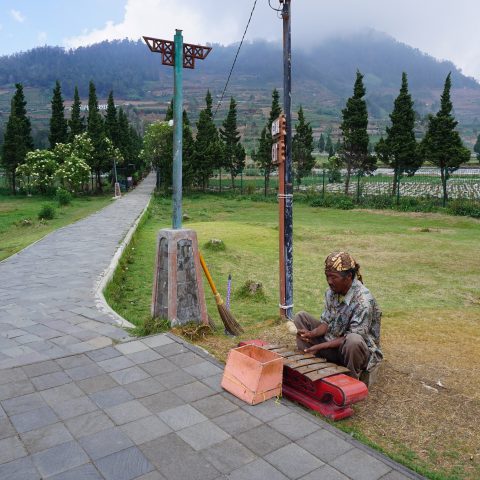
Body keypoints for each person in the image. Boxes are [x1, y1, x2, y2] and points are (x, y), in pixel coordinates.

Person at [294, 251, 382, 381]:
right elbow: (326, 322)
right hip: (334, 343)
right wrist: (312, 334)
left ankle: (350, 380)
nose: (329, 281)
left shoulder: (363, 301)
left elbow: (351, 337)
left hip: (356, 352)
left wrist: (319, 346)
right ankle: (311, 367)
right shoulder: (331, 292)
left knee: (353, 341)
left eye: (334, 277)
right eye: (327, 276)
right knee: (301, 317)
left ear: (349, 276)